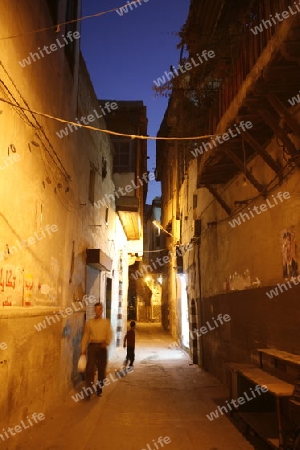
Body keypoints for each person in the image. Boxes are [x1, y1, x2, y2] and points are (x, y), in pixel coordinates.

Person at [81, 302, 113, 399]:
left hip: (102, 347)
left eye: (99, 309)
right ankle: (88, 391)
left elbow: (109, 334)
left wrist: (106, 342)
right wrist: (83, 349)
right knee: (90, 369)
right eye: (96, 309)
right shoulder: (90, 323)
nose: (98, 311)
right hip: (92, 346)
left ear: (102, 310)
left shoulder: (106, 322)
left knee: (101, 370)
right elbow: (86, 336)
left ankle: (99, 389)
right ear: (94, 310)